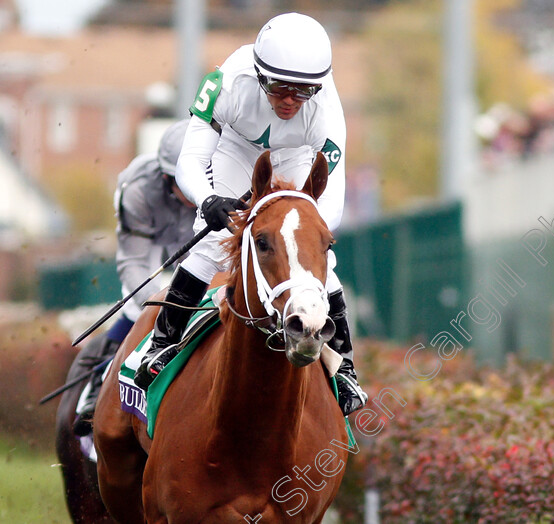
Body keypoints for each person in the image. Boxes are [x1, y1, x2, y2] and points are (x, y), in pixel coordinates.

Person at [133, 12, 368, 417]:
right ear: (260, 77)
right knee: (209, 244)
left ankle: (343, 367)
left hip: (297, 157)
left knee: (315, 255)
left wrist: (311, 233)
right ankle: (162, 345)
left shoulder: (326, 112)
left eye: (304, 90)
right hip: (237, 149)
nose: (290, 100)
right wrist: (208, 200)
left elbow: (332, 202)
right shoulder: (227, 83)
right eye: (279, 87)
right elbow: (192, 159)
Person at [73, 119, 196, 436]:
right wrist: (162, 304)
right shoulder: (139, 190)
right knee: (143, 300)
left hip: (197, 237)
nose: (189, 189)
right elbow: (135, 264)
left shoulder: (219, 181)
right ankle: (100, 377)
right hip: (149, 240)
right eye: (181, 181)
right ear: (167, 176)